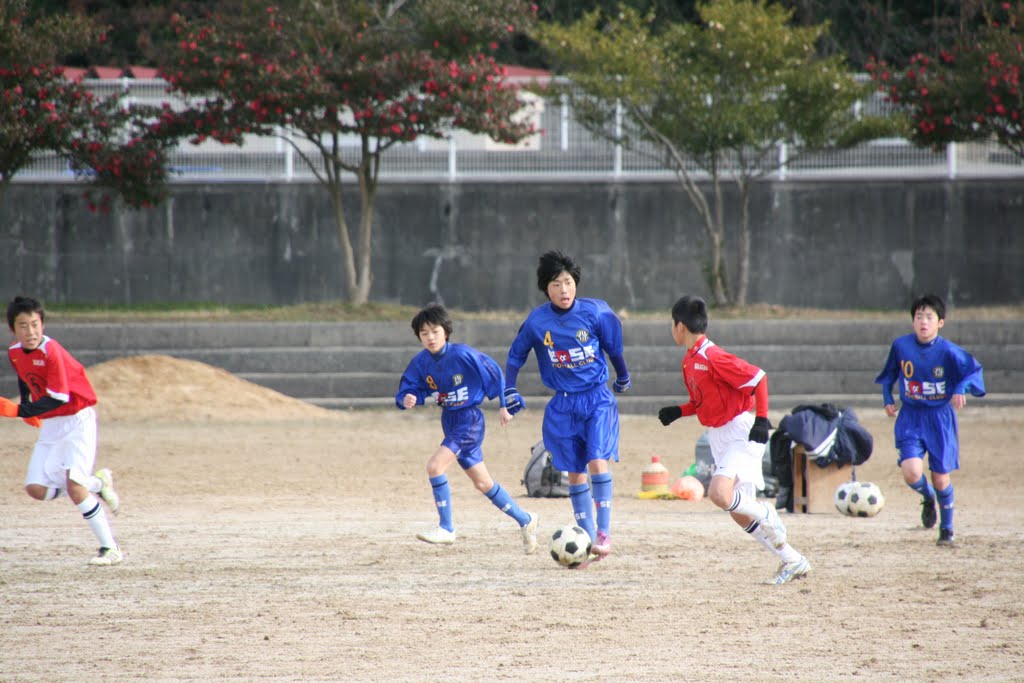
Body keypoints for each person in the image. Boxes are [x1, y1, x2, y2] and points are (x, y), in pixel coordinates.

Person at [657, 295, 810, 585]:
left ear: (679, 326)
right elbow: (702, 402)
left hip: (741, 432)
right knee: (738, 512)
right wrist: (679, 411)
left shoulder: (712, 356)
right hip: (718, 436)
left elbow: (758, 378)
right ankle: (793, 560)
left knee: (719, 494)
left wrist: (762, 419)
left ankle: (767, 512)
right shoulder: (689, 361)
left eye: (671, 324)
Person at [504, 251, 631, 566]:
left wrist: (623, 375)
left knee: (597, 461)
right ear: (546, 288)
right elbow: (515, 355)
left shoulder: (596, 313)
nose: (564, 289)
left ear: (576, 284)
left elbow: (614, 347)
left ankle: (603, 534)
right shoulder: (537, 321)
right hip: (562, 403)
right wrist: (509, 388)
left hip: (597, 398)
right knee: (574, 473)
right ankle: (587, 540)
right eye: (556, 284)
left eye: (569, 282)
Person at [396, 303, 539, 554]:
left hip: (469, 420)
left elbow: (494, 372)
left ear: (446, 331)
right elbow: (410, 387)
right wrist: (409, 398)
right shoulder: (421, 362)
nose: (430, 337)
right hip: (450, 420)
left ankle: (447, 528)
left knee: (434, 466)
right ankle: (526, 520)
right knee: (483, 484)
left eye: (435, 331)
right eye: (424, 333)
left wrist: (504, 406)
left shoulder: (462, 355)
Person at [3, 295, 122, 566]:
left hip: (76, 420)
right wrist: (28, 407)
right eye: (23, 326)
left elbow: (59, 397)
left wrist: (20, 410)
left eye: (35, 324)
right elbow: (25, 379)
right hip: (53, 424)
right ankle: (98, 483)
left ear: (42, 324)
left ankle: (110, 548)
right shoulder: (14, 352)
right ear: (13, 329)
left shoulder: (51, 351)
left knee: (75, 488)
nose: (30, 332)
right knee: (36, 489)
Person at [875, 294, 984, 547]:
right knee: (911, 472)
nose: (923, 322)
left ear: (940, 322)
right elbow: (889, 374)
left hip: (939, 418)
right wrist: (887, 398)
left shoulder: (948, 351)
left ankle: (946, 530)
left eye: (929, 317)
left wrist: (960, 389)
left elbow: (974, 372)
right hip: (911, 415)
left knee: (941, 478)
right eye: (919, 317)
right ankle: (927, 498)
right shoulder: (901, 346)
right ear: (912, 321)